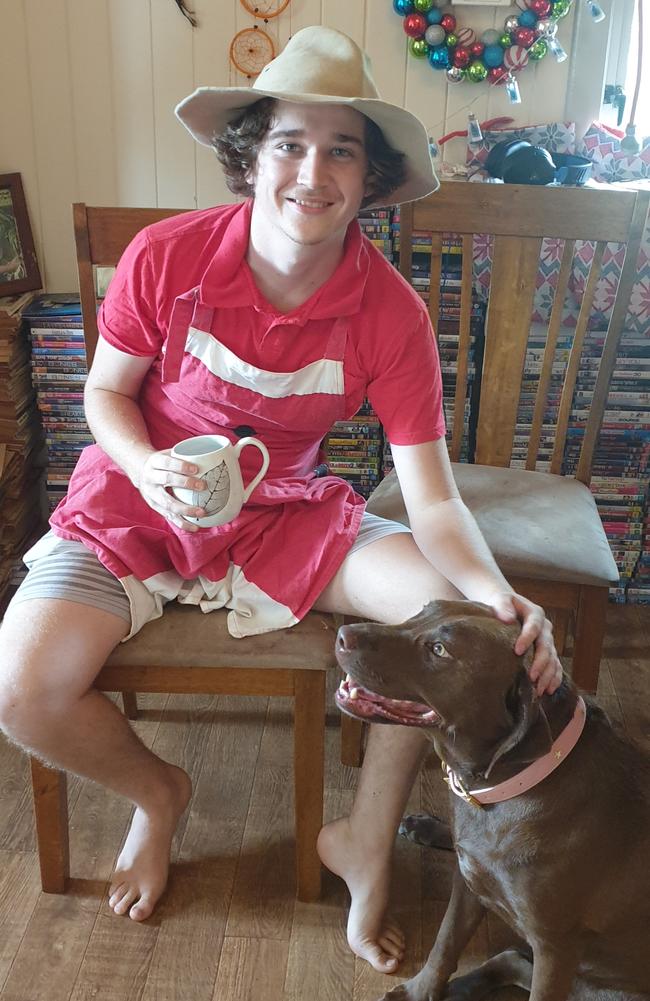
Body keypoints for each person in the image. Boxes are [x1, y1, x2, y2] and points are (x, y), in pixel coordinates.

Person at [0, 26, 561, 973]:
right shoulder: (165, 256)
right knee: (21, 686)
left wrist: (498, 591)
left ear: (371, 176)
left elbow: (431, 497)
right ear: (250, 156)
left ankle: (365, 845)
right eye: (290, 143)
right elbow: (104, 394)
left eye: (341, 148)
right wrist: (144, 468)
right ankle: (158, 795)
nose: (313, 170)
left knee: (454, 622)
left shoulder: (392, 312)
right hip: (136, 501)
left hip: (287, 512)